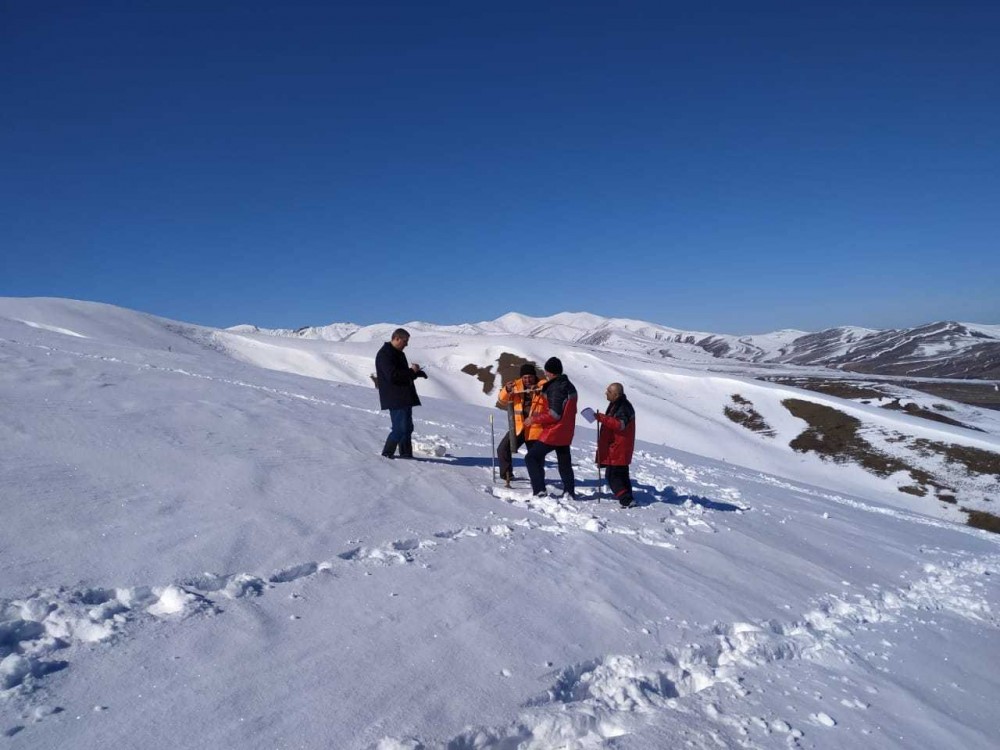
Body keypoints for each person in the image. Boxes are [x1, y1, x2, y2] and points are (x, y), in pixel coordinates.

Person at [523, 357, 577, 499]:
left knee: (531, 458)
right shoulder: (568, 385)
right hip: (567, 430)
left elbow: (554, 414)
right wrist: (541, 391)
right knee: (564, 463)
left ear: (551, 372)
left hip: (554, 431)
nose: (545, 374)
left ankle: (539, 490)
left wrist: (533, 419)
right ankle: (569, 492)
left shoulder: (555, 387)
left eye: (547, 372)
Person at [375, 328, 427, 458]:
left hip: (404, 396)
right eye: (405, 341)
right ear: (396, 338)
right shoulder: (385, 354)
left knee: (407, 428)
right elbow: (393, 376)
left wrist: (416, 373)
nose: (407, 344)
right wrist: (412, 371)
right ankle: (387, 454)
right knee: (400, 429)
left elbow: (404, 375)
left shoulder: (398, 353)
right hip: (395, 397)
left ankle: (406, 454)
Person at [496, 363, 547, 484]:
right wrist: (507, 390)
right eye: (525, 377)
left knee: (536, 457)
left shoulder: (543, 386)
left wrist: (540, 391)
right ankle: (507, 475)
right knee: (502, 449)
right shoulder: (516, 386)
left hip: (535, 429)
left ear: (534, 376)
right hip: (519, 428)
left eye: (530, 377)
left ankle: (538, 479)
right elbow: (502, 400)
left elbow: (550, 396)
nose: (527, 380)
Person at [595, 382, 636, 508]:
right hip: (620, 445)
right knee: (622, 474)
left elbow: (620, 425)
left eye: (608, 391)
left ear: (616, 394)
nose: (606, 393)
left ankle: (626, 499)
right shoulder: (619, 404)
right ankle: (628, 496)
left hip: (618, 446)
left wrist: (602, 418)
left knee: (612, 475)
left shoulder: (622, 406)